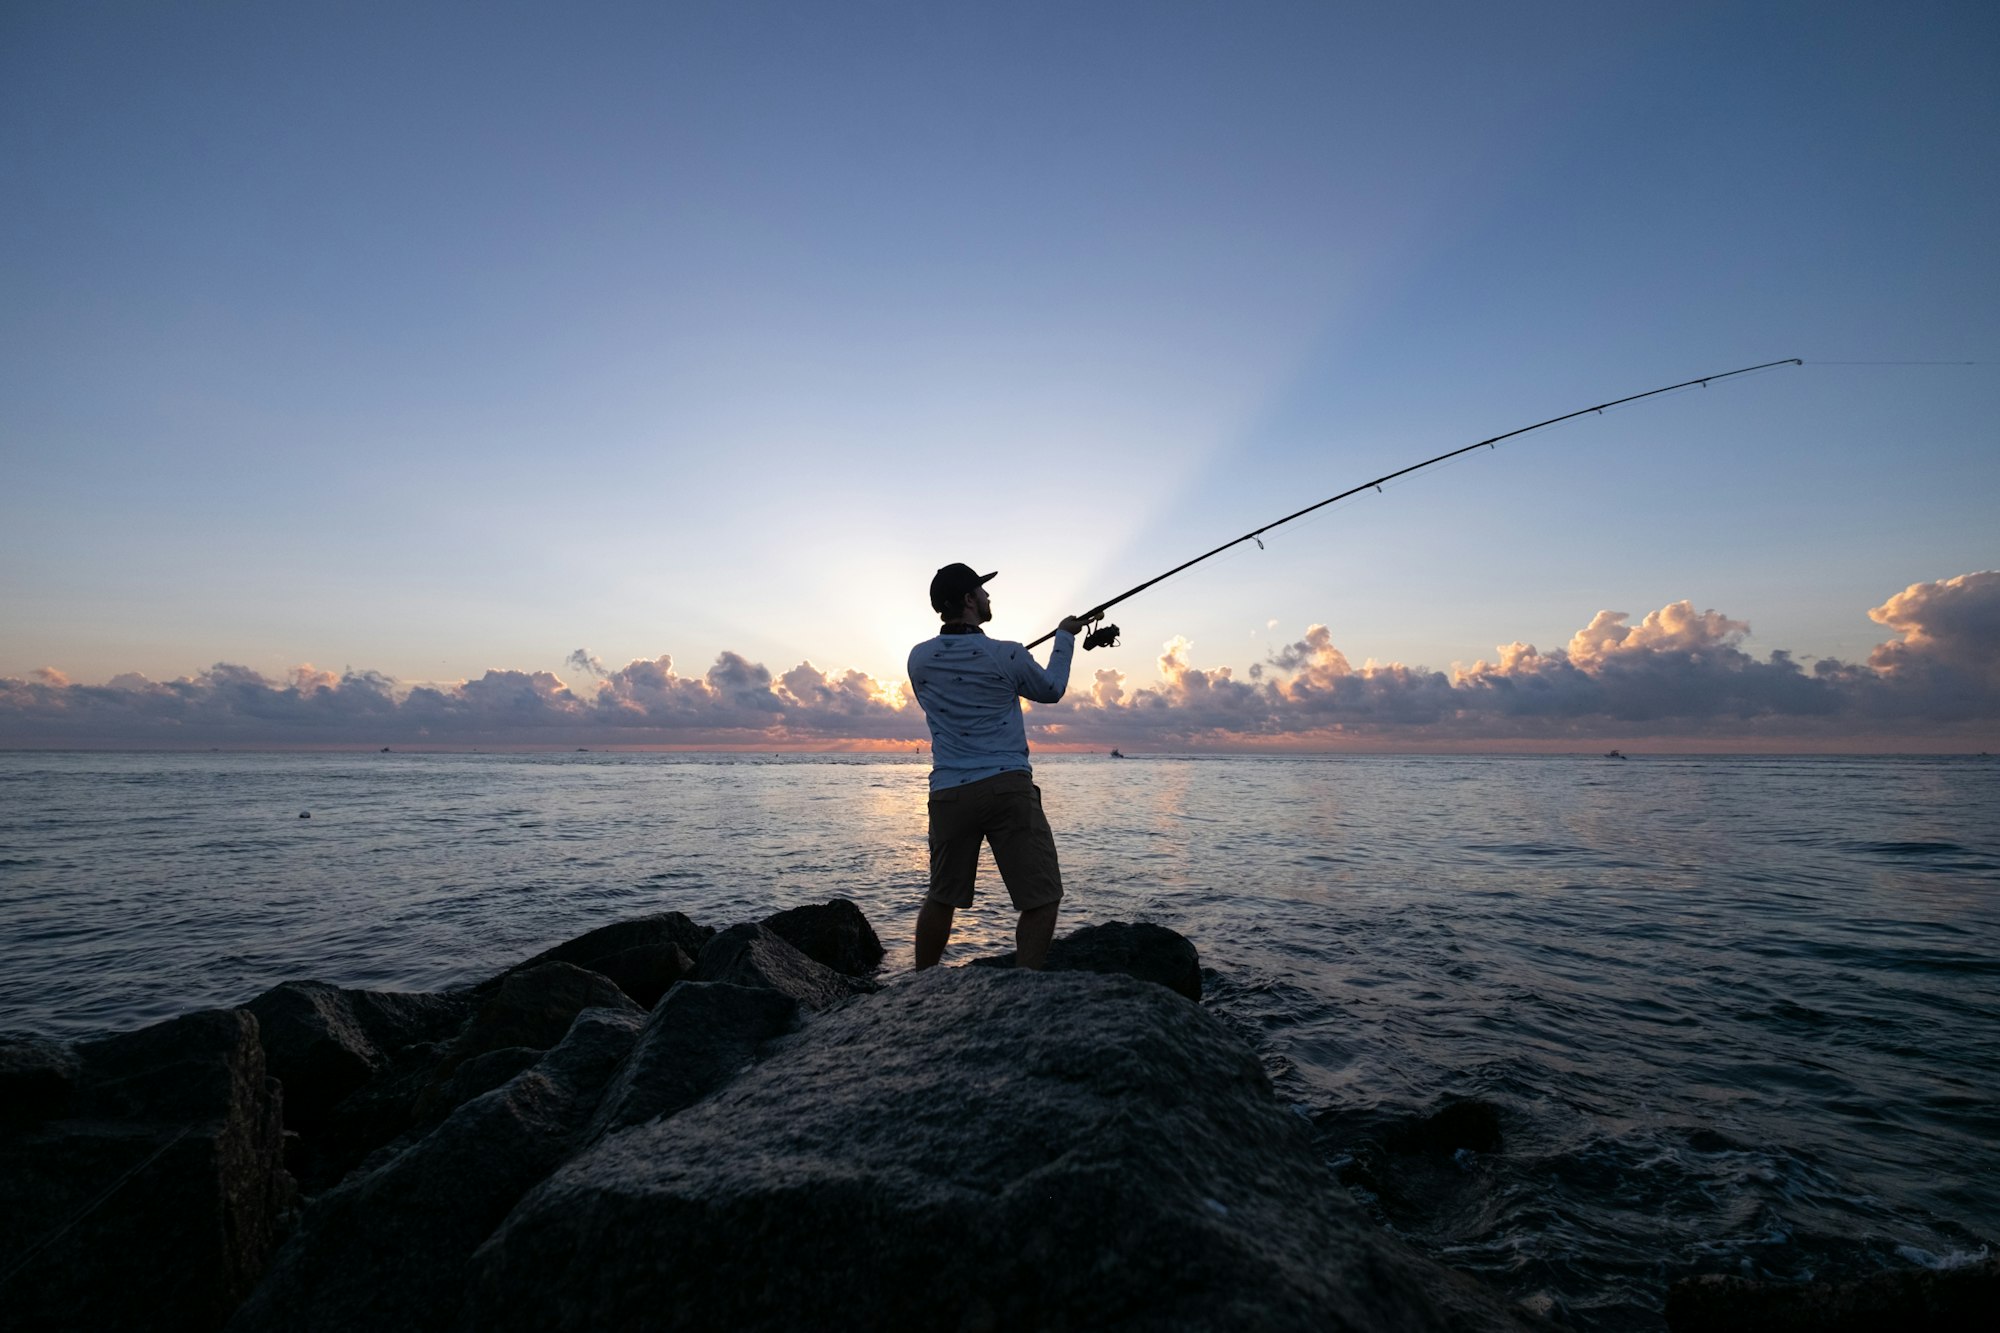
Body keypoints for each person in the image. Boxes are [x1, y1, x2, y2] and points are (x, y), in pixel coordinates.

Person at [907, 563, 1083, 971]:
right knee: (1042, 897)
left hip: (949, 793)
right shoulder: (1007, 654)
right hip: (1007, 787)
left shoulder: (918, 659)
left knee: (941, 895)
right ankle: (1024, 987)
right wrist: (1064, 637)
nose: (988, 597)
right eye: (982, 592)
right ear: (969, 600)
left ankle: (921, 985)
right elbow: (1051, 689)